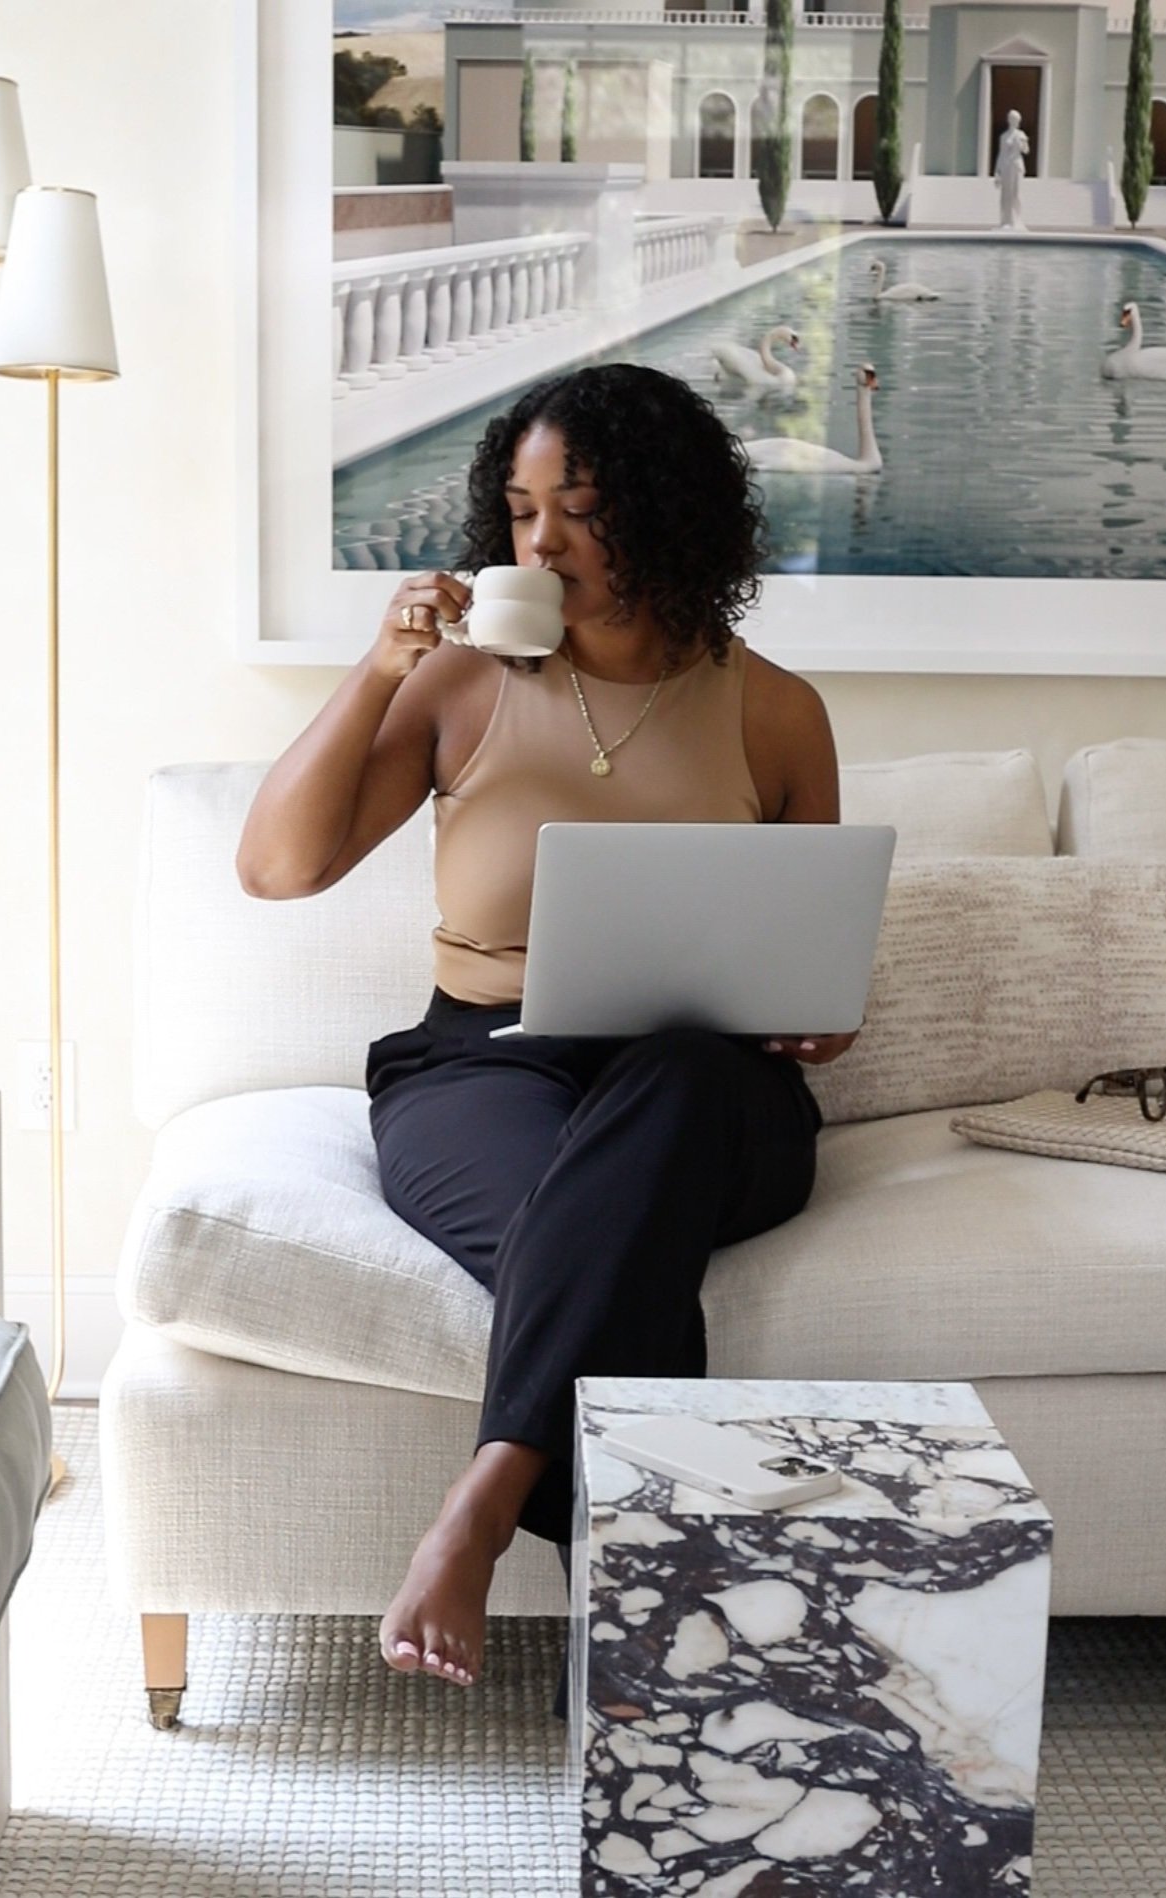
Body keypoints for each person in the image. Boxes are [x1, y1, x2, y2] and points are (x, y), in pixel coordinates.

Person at [236, 363, 856, 1693]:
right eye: (519, 511)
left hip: (701, 1085)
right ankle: (668, 1658)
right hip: (482, 1062)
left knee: (674, 1090)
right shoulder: (461, 685)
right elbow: (279, 868)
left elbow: (817, 971)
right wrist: (380, 664)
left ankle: (483, 1497)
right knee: (592, 1243)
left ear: (667, 510)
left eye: (579, 505)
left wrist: (811, 1021)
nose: (542, 542)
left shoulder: (775, 708)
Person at [994, 108, 1029, 231]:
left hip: (1016, 165)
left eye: (1016, 119)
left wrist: (1022, 144)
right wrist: (997, 172)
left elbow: (1026, 150)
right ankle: (1006, 221)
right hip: (1006, 166)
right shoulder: (1004, 136)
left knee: (1016, 193)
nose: (1014, 121)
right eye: (1012, 118)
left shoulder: (1021, 135)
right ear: (1009, 120)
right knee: (1005, 194)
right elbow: (1001, 154)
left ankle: (1017, 220)